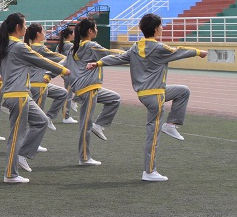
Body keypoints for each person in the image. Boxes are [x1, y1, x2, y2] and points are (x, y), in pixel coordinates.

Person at [88, 13, 207, 182]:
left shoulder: (136, 47)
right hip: (155, 95)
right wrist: (199, 52)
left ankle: (170, 124)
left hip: (146, 94)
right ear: (156, 29)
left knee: (183, 91)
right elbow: (179, 51)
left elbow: (119, 58)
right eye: (161, 26)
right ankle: (149, 171)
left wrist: (98, 63)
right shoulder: (159, 48)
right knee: (153, 135)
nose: (162, 28)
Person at [0, 13, 69, 183]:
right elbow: (41, 61)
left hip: (20, 95)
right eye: (24, 25)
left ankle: (22, 155)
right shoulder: (18, 47)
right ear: (18, 27)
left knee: (41, 121)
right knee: (16, 135)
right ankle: (10, 174)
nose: (26, 28)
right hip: (17, 96)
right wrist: (63, 70)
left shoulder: (4, 47)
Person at [66, 18, 122, 167]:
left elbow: (65, 66)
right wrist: (130, 54)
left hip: (89, 88)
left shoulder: (74, 48)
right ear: (90, 31)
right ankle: (84, 157)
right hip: (89, 88)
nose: (97, 30)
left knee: (115, 99)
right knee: (86, 124)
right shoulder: (91, 45)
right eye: (95, 28)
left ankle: (99, 125)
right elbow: (109, 53)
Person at [23, 23, 68, 148]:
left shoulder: (29, 47)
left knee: (62, 93)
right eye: (43, 31)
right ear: (38, 34)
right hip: (39, 85)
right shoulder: (40, 48)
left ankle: (49, 118)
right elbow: (59, 57)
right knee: (37, 117)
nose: (44, 33)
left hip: (37, 83)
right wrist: (73, 59)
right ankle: (32, 144)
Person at [56, 27, 78, 124]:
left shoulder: (59, 46)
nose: (74, 35)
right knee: (68, 94)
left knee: (75, 88)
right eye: (73, 33)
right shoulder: (70, 46)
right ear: (69, 35)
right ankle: (66, 116)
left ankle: (74, 101)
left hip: (63, 71)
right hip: (69, 72)